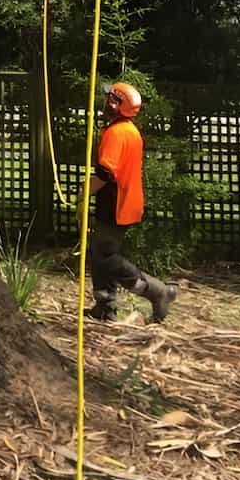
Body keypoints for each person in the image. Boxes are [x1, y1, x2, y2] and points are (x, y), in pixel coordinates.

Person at [78, 81, 178, 323]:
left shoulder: (117, 133)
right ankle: (105, 306)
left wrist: (84, 194)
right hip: (122, 202)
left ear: (116, 104)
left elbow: (105, 173)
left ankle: (157, 292)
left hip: (116, 203)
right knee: (101, 252)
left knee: (105, 256)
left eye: (110, 98)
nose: (105, 101)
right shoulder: (128, 130)